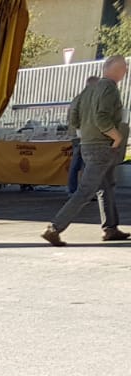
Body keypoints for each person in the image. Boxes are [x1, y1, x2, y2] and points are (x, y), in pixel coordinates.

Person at [42, 56, 130, 245]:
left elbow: (73, 117)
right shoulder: (109, 88)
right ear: (118, 70)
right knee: (86, 190)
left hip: (87, 144)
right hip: (102, 146)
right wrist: (117, 137)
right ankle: (55, 228)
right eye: (125, 68)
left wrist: (85, 133)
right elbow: (102, 118)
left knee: (106, 186)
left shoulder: (88, 90)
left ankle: (111, 228)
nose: (126, 71)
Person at [66, 74, 99, 195]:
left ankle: (72, 189)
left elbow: (69, 117)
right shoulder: (88, 99)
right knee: (87, 165)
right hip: (84, 135)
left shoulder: (77, 98)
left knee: (75, 164)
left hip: (76, 135)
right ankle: (84, 193)